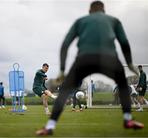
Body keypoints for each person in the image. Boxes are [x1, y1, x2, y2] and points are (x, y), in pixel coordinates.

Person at [36, 1, 144, 136]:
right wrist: (129, 63)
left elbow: (65, 44)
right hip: (109, 58)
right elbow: (124, 43)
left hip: (84, 59)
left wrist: (62, 70)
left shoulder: (81, 21)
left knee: (64, 91)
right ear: (104, 11)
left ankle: (50, 126)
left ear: (89, 11)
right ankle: (127, 119)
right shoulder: (114, 21)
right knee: (122, 84)